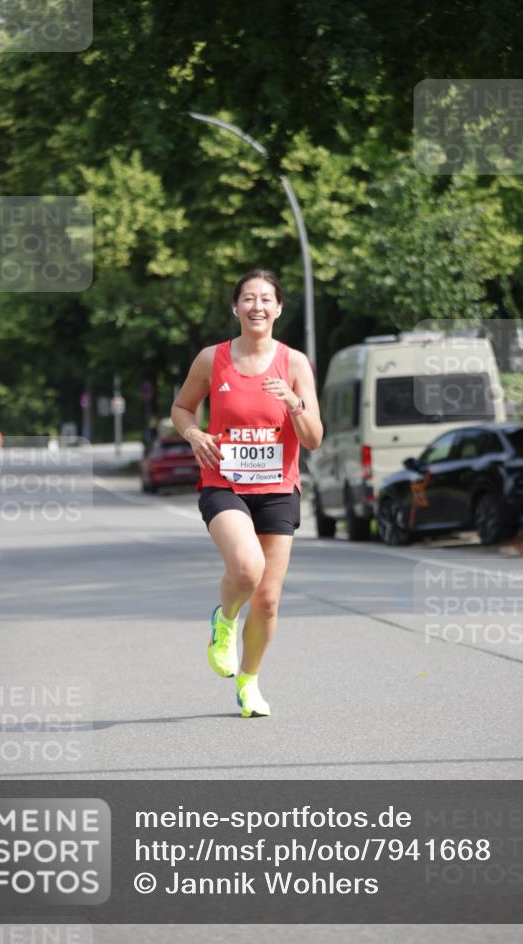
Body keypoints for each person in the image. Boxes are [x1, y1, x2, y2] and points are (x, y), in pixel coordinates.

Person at [171, 269, 323, 718]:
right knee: (246, 567)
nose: (257, 306)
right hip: (224, 482)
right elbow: (182, 407)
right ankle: (224, 621)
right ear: (236, 308)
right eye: (248, 298)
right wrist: (194, 433)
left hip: (278, 488)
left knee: (270, 600)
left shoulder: (294, 363)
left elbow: (313, 438)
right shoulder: (211, 359)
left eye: (266, 299)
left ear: (278, 308)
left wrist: (293, 403)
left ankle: (249, 682)